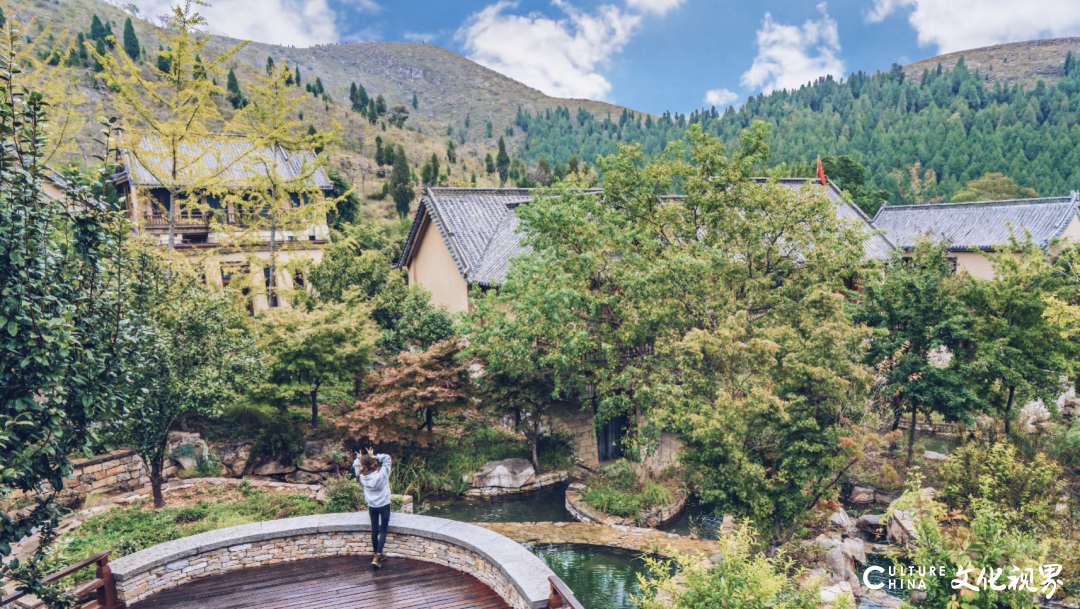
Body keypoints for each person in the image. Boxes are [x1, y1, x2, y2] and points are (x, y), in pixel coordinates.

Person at [353, 447, 392, 568]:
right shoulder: (382, 473)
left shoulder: (361, 476)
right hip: (384, 505)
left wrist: (360, 459)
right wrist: (374, 456)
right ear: (374, 462)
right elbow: (387, 458)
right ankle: (378, 555)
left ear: (363, 464)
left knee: (375, 529)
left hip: (372, 506)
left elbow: (355, 465)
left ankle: (376, 554)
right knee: (383, 529)